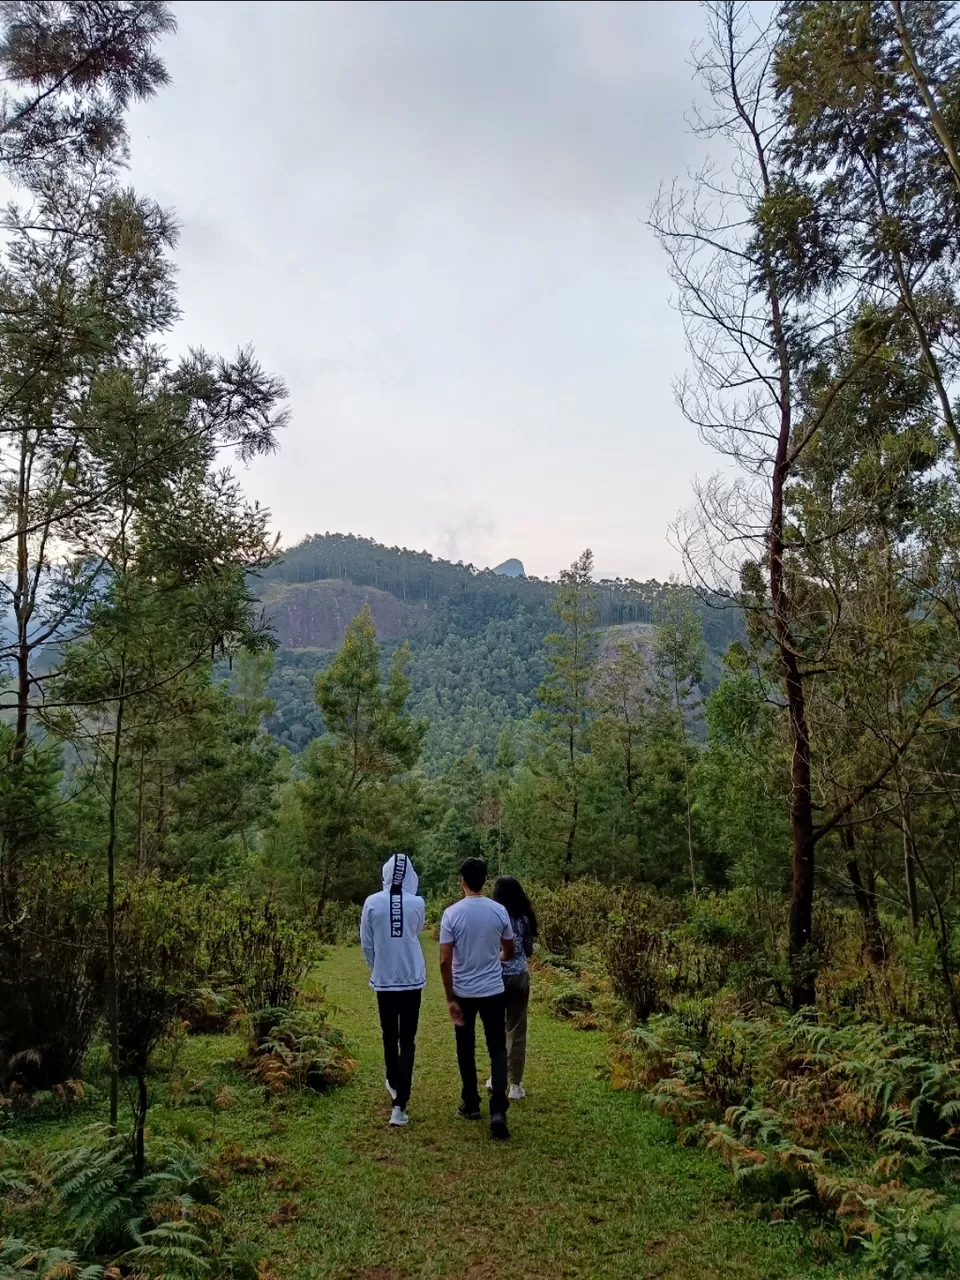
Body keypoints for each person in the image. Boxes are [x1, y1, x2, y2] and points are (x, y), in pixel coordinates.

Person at [439, 857, 515, 1141]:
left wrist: (450, 998)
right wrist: (500, 958)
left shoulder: (451, 914)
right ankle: (498, 1109)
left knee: (465, 1046)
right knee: (497, 1049)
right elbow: (510, 948)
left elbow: (445, 961)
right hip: (493, 991)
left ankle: (470, 1102)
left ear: (462, 881)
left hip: (463, 991)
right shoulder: (499, 911)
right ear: (485, 881)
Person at [360, 852, 426, 1128]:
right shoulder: (417, 903)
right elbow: (416, 930)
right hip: (412, 978)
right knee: (407, 1039)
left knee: (390, 1034)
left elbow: (366, 942)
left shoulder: (372, 903)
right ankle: (400, 1104)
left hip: (385, 981)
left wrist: (379, 967)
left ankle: (394, 1082)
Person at [488, 876, 537, 1101]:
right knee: (516, 1030)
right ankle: (515, 1085)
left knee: (496, 1030)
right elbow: (527, 950)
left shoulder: (495, 915)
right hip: (518, 977)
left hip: (495, 977)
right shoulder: (525, 918)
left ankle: (495, 1076)